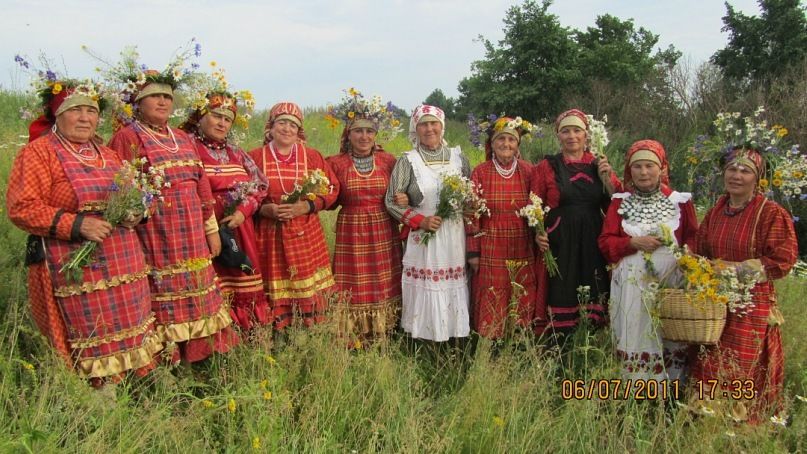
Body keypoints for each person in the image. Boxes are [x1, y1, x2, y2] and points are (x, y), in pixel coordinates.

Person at [7, 80, 162, 385]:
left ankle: (133, 383)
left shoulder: (108, 154)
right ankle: (96, 397)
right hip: (72, 265)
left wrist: (138, 212)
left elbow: (140, 195)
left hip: (121, 262)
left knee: (127, 326)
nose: (84, 118)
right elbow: (21, 207)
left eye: (90, 111)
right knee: (90, 333)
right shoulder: (39, 154)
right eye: (75, 110)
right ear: (57, 116)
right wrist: (77, 225)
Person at [108, 70, 238, 363]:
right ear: (138, 102)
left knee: (197, 296)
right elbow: (121, 190)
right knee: (163, 300)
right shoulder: (127, 137)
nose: (163, 102)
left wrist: (211, 230)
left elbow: (201, 184)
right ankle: (169, 366)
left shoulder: (182, 137)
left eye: (167, 96)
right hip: (156, 235)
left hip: (192, 233)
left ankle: (201, 360)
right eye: (155, 96)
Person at [690, 147, 797, 422]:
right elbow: (701, 248)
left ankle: (741, 427)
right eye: (732, 169)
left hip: (751, 304)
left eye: (745, 170)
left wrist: (736, 270)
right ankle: (705, 423)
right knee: (709, 362)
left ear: (758, 177)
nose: (736, 175)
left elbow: (783, 259)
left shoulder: (770, 213)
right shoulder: (716, 211)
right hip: (714, 302)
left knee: (740, 366)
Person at [598, 140, 698, 384]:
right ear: (629, 171)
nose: (644, 172)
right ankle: (638, 391)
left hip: (669, 285)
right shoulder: (620, 201)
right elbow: (604, 242)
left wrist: (686, 258)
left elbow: (695, 240)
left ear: (662, 168)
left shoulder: (680, 202)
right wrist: (632, 244)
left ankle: (672, 392)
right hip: (632, 286)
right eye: (638, 167)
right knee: (636, 334)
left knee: (669, 336)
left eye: (649, 166)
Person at [179, 90, 270, 332]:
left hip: (239, 226)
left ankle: (249, 334)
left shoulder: (235, 151)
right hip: (203, 226)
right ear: (201, 115)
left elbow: (260, 185)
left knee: (242, 280)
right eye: (216, 115)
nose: (221, 123)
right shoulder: (186, 147)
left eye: (227, 119)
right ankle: (215, 338)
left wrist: (243, 210)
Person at [531, 108, 620, 340]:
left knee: (593, 285)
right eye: (566, 131)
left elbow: (617, 203)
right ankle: (559, 343)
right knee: (562, 287)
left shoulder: (599, 164)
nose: (572, 136)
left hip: (592, 237)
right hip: (560, 238)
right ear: (558, 136)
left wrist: (607, 178)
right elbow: (535, 205)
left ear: (586, 135)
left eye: (577, 131)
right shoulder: (546, 167)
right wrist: (537, 233)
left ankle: (591, 339)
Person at [385, 104, 472, 342]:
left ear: (442, 126)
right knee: (427, 286)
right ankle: (424, 339)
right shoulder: (407, 161)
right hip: (424, 237)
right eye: (423, 124)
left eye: (434, 123)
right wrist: (421, 221)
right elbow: (392, 202)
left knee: (453, 283)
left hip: (454, 235)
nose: (429, 128)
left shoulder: (458, 158)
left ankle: (455, 335)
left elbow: (470, 195)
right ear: (416, 128)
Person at [249, 102, 339, 330]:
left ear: (299, 131)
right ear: (270, 127)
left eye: (292, 125)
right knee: (275, 282)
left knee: (306, 284)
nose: (287, 129)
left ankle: (309, 329)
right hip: (270, 236)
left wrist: (306, 206)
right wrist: (264, 209)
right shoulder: (254, 157)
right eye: (282, 123)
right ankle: (277, 331)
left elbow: (331, 190)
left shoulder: (312, 156)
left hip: (305, 234)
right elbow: (243, 194)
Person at [325, 93, 402, 343]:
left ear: (375, 135)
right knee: (353, 282)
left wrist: (404, 200)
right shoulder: (336, 163)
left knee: (384, 279)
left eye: (369, 131)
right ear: (348, 134)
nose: (364, 137)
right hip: (351, 231)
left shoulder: (389, 161)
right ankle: (355, 334)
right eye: (358, 131)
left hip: (383, 228)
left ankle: (387, 330)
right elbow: (330, 199)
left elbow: (403, 193)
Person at [466, 116, 537, 339]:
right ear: (492, 144)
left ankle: (518, 339)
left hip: (521, 242)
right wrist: (473, 251)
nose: (506, 144)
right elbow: (471, 214)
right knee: (491, 291)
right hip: (491, 243)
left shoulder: (528, 171)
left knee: (520, 288)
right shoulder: (480, 171)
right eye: (500, 139)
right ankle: (491, 342)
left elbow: (537, 208)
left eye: (511, 140)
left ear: (518, 145)